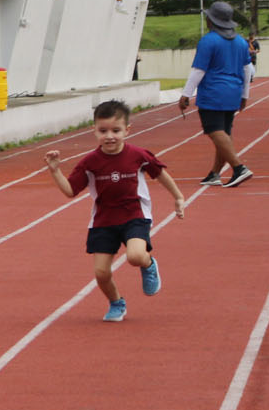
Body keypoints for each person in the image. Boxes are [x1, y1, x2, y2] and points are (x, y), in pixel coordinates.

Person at [43, 100, 186, 323]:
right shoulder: (90, 162)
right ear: (94, 131)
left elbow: (160, 174)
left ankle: (149, 264)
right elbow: (71, 191)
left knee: (135, 256)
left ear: (127, 130)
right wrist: (55, 171)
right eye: (103, 131)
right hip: (104, 220)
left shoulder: (138, 155)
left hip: (134, 215)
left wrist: (178, 197)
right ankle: (116, 302)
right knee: (101, 273)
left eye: (116, 131)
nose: (109, 136)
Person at [178, 0, 254, 188]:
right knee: (224, 133)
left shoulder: (208, 41)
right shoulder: (241, 42)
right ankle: (214, 174)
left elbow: (198, 70)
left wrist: (186, 94)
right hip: (234, 92)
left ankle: (239, 168)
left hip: (213, 92)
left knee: (214, 130)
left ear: (211, 21)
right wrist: (245, 95)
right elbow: (247, 70)